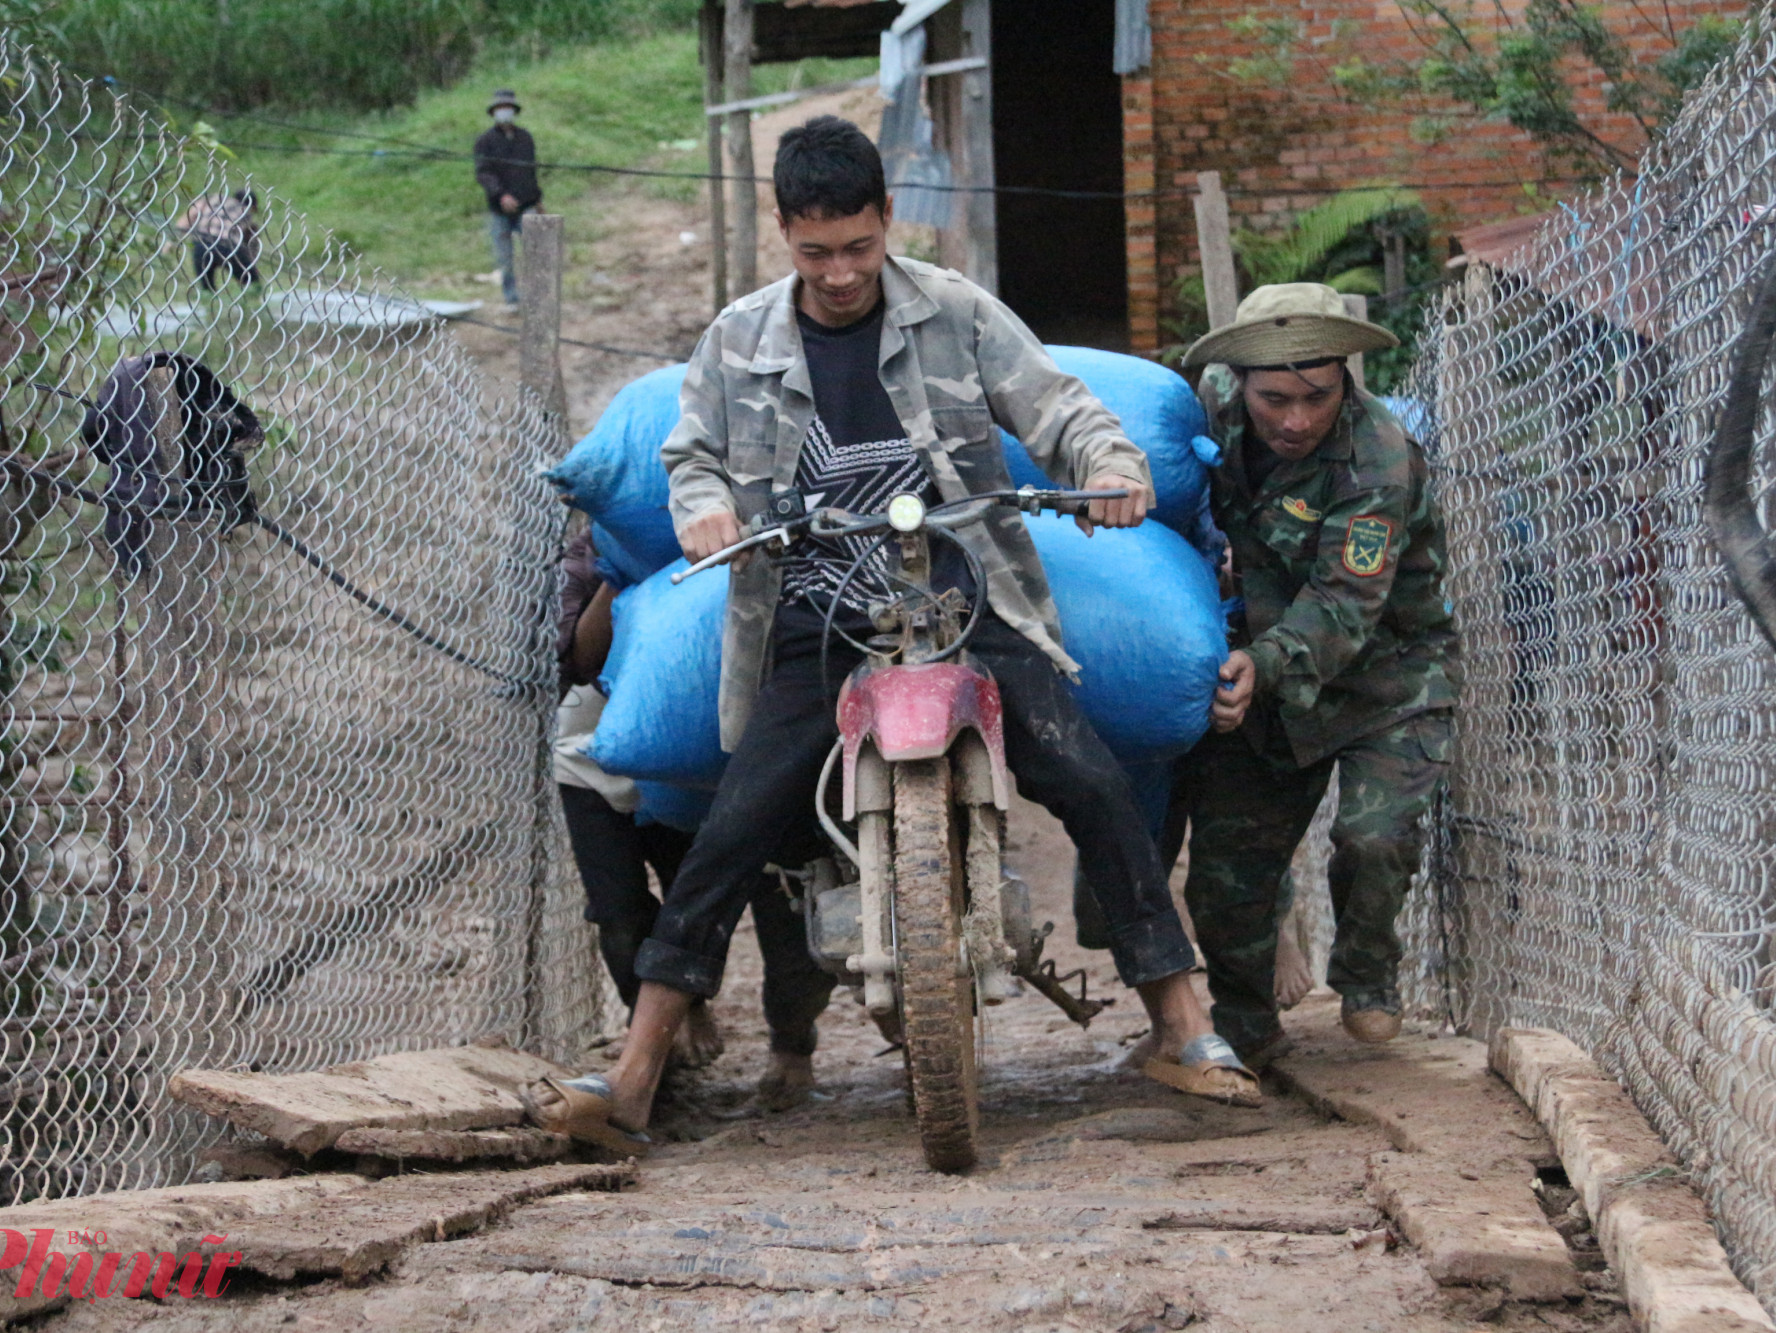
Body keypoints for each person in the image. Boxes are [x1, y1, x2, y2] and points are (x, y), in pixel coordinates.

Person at [528, 115, 1260, 1152]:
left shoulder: (955, 311)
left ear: (885, 220)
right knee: (733, 828)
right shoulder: (738, 338)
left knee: (1089, 779)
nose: (839, 273)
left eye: (858, 247)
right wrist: (703, 507)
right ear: (784, 232)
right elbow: (689, 455)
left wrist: (1112, 465)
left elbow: (1061, 408)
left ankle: (1182, 1026)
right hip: (810, 619)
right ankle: (636, 1072)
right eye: (815, 251)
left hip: (967, 603)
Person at [1175, 282, 1461, 1062]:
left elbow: (1344, 603)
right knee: (1228, 871)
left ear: (1345, 380)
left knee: (1373, 839)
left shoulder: (1379, 460)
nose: (1296, 419)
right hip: (1264, 677)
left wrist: (1259, 663)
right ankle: (1246, 1024)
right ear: (1239, 383)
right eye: (1275, 399)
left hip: (1387, 678)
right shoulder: (1208, 407)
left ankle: (1367, 970)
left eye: (1317, 397)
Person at [551, 530, 837, 1108]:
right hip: (602, 750)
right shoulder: (604, 538)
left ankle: (792, 1044)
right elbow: (580, 661)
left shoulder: (772, 529)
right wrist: (617, 569)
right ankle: (666, 1033)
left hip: (731, 749)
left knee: (784, 909)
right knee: (620, 914)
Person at [474, 89, 540, 309]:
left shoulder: (525, 138)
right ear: (494, 112)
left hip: (527, 205)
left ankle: (537, 297)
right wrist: (501, 194)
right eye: (500, 108)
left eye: (507, 108)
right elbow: (483, 173)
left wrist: (537, 199)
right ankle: (511, 298)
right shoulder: (485, 141)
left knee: (535, 253)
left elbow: (530, 171)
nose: (504, 111)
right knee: (505, 258)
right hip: (499, 209)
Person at [180, 190, 260, 291]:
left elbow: (190, 215)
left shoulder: (214, 199)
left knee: (207, 286)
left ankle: (207, 295)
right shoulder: (246, 211)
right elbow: (251, 247)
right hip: (228, 245)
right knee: (252, 283)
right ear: (252, 207)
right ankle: (253, 295)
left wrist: (177, 237)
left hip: (202, 242)